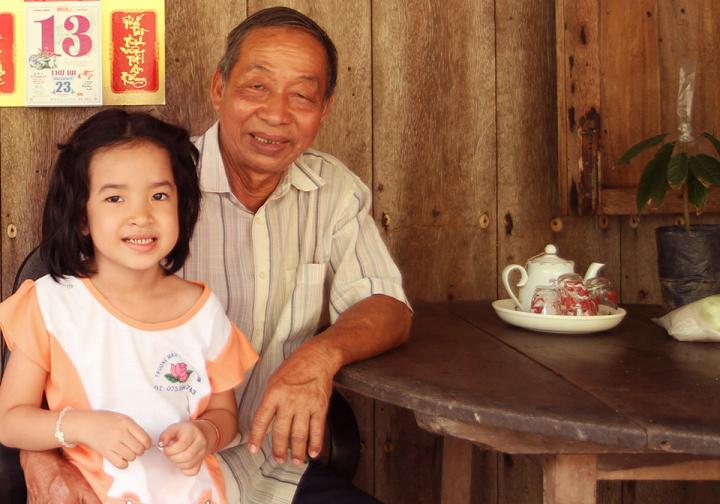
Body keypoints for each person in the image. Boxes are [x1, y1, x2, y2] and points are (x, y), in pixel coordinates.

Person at [18, 6, 413, 503]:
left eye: (302, 96)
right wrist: (43, 456)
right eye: (257, 87)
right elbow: (57, 335)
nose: (276, 114)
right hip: (124, 477)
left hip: (273, 468)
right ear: (219, 88)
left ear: (325, 109)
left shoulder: (334, 191)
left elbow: (387, 305)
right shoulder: (158, 185)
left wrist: (319, 355)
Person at [0, 109, 259, 503]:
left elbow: (224, 416)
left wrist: (205, 435)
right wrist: (83, 426)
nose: (141, 215)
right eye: (115, 198)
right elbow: (9, 421)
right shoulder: (51, 305)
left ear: (182, 206)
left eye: (159, 195)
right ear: (82, 216)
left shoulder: (204, 312)